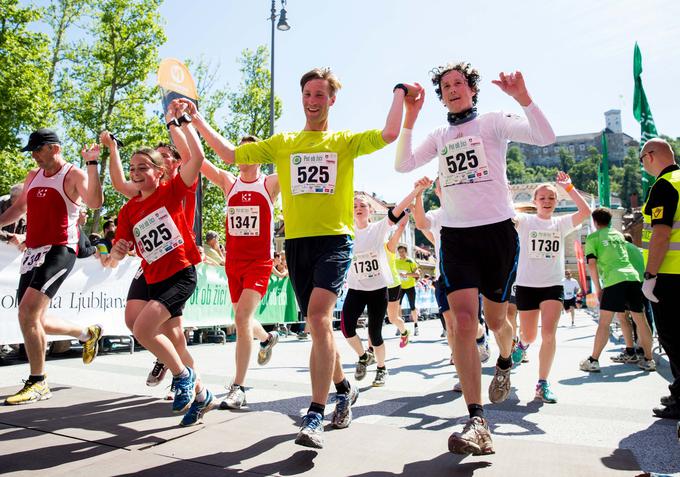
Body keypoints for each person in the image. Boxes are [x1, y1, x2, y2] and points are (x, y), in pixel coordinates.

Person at [182, 67, 407, 448]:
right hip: (298, 244)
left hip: (334, 241)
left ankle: (315, 414)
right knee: (319, 328)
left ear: (331, 100)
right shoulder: (284, 142)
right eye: (308, 94)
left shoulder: (345, 140)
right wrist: (196, 118)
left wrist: (399, 92)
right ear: (301, 98)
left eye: (320, 95)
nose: (313, 101)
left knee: (319, 319)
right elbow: (229, 154)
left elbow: (388, 134)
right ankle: (343, 387)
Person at [395, 62, 556, 455]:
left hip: (497, 232)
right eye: (445, 86)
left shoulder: (493, 122)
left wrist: (522, 98)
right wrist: (409, 118)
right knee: (464, 324)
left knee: (497, 319)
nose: (452, 89)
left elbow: (545, 135)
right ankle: (476, 419)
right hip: (456, 237)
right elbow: (402, 164)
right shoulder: (439, 134)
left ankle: (505, 356)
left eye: (458, 83)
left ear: (472, 89)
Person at [103, 107, 216, 426]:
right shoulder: (127, 211)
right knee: (173, 341)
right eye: (132, 167)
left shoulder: (172, 190)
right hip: (154, 277)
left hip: (180, 274)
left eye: (143, 167)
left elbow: (195, 157)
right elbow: (119, 250)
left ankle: (181, 375)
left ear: (159, 171)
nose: (135, 172)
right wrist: (119, 248)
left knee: (142, 328)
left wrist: (178, 124)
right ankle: (202, 394)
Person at [178, 120, 281, 410]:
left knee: (241, 320)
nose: (244, 157)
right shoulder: (228, 181)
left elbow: (292, 162)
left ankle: (239, 387)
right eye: (241, 152)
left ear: (261, 157)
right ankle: (268, 337)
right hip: (233, 263)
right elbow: (195, 159)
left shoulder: (269, 183)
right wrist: (184, 126)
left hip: (259, 263)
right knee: (241, 318)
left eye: (252, 152)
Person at [0, 128, 104, 405]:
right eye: (32, 151)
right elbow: (18, 209)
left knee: (27, 313)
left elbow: (94, 202)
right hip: (33, 251)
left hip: (59, 250)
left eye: (38, 150)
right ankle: (86, 333)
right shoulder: (32, 176)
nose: (34, 156)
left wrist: (92, 164)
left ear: (54, 148)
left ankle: (38, 381)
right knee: (32, 319)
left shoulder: (73, 174)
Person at [511, 174, 590, 404]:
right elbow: (502, 212)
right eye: (542, 197)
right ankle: (522, 344)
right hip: (527, 284)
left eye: (552, 198)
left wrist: (570, 188)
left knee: (548, 334)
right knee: (530, 334)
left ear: (556, 202)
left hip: (552, 285)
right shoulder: (524, 221)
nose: (547, 201)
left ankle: (542, 383)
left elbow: (585, 212)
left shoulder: (561, 223)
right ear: (534, 201)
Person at [342, 186, 422, 388]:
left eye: (362, 205)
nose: (358, 208)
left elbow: (397, 210)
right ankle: (363, 357)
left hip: (377, 289)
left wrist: (416, 191)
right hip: (356, 288)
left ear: (370, 211)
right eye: (354, 205)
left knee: (374, 333)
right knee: (346, 328)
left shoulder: (378, 228)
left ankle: (381, 368)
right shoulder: (345, 231)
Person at [579, 208, 656, 373]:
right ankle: (649, 360)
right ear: (609, 220)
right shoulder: (619, 235)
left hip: (614, 279)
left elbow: (591, 264)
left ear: (594, 222)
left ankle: (593, 360)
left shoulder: (594, 237)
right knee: (640, 320)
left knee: (604, 322)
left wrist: (598, 289)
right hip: (633, 278)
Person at [639, 138, 680, 420]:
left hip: (670, 275)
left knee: (673, 338)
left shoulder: (664, 185)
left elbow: (661, 234)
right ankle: (678, 391)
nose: (642, 166)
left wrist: (650, 275)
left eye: (642, 160)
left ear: (651, 156)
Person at [385, 218, 410, 346]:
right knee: (374, 319)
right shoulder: (370, 246)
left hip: (392, 284)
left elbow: (400, 230)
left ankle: (404, 331)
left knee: (392, 318)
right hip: (377, 285)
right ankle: (371, 350)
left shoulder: (389, 245)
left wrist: (405, 215)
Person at [395, 245, 421, 335]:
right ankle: (400, 327)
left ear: (406, 252)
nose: (401, 253)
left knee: (412, 307)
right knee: (398, 306)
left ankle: (416, 326)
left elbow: (417, 275)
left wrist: (407, 274)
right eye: (399, 252)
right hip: (400, 287)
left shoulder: (410, 261)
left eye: (403, 251)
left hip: (410, 286)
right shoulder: (396, 261)